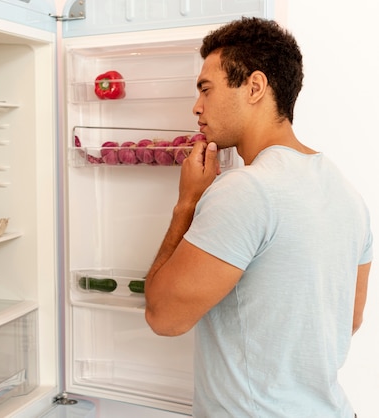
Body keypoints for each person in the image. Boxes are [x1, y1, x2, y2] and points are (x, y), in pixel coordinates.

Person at [144, 17, 372, 418]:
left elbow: (163, 317)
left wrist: (187, 204)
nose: (196, 106)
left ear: (254, 87)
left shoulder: (246, 190)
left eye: (205, 88)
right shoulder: (348, 195)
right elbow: (347, 320)